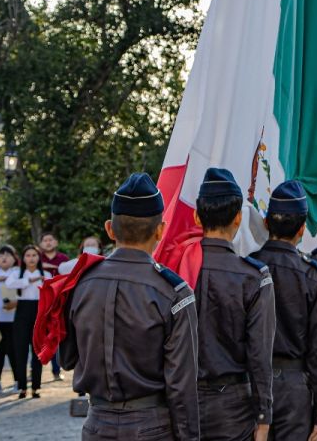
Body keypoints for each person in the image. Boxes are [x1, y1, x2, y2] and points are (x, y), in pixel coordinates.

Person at [61, 172, 200, 441]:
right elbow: (181, 385)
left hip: (97, 424)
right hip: (152, 427)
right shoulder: (174, 292)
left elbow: (66, 358)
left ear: (110, 229)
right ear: (160, 230)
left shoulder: (79, 284)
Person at [185, 167, 275, 441]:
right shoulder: (253, 276)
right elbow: (259, 354)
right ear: (238, 218)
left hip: (181, 402)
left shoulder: (176, 270)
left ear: (197, 216)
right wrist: (263, 415)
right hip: (232, 407)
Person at [249, 180, 317, 441]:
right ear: (301, 229)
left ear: (266, 223)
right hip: (294, 389)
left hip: (248, 384)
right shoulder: (313, 275)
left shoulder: (246, 268)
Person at [6, 244, 51, 398]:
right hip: (22, 311)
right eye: (28, 255)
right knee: (20, 350)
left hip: (39, 312)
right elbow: (9, 284)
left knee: (37, 350)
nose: (31, 258)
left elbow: (51, 293)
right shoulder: (16, 273)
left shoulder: (46, 274)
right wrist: (31, 279)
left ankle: (36, 387)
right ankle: (22, 386)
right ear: (23, 258)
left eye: (34, 255)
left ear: (39, 257)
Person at [0, 246, 20, 394]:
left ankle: (18, 381)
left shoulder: (19, 272)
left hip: (15, 320)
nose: (4, 258)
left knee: (15, 352)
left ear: (15, 258)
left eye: (8, 255)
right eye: (1, 255)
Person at [37, 232, 69, 381]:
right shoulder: (37, 258)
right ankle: (35, 368)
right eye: (45, 240)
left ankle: (56, 370)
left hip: (59, 300)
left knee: (57, 333)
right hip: (40, 301)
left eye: (51, 240)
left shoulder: (63, 259)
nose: (48, 242)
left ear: (56, 242)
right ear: (41, 244)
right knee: (39, 333)